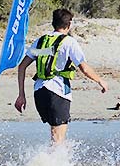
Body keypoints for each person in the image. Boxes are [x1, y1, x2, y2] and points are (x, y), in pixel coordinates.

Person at [15, 8, 108, 145]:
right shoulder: (69, 42)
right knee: (58, 139)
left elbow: (22, 66)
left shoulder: (41, 41)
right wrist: (100, 80)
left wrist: (21, 95)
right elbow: (84, 68)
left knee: (55, 135)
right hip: (57, 92)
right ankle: (52, 165)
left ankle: (48, 164)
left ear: (53, 23)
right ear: (69, 25)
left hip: (39, 93)